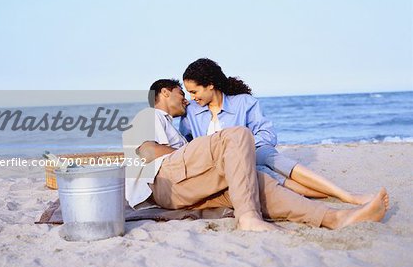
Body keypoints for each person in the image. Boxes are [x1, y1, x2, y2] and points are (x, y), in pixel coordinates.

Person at [122, 79, 389, 232]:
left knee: (257, 181)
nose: (187, 99)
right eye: (183, 93)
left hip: (184, 188)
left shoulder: (173, 126)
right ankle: (248, 218)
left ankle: (334, 218)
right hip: (164, 183)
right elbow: (146, 151)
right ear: (164, 92)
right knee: (238, 134)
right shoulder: (150, 115)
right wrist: (194, 153)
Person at [180, 58, 373, 204]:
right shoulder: (191, 112)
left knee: (275, 160)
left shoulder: (244, 102)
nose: (191, 97)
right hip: (226, 166)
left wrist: (244, 147)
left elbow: (267, 134)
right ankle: (334, 195)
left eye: (194, 91)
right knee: (266, 174)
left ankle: (346, 195)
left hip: (254, 150)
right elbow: (186, 144)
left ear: (210, 85)